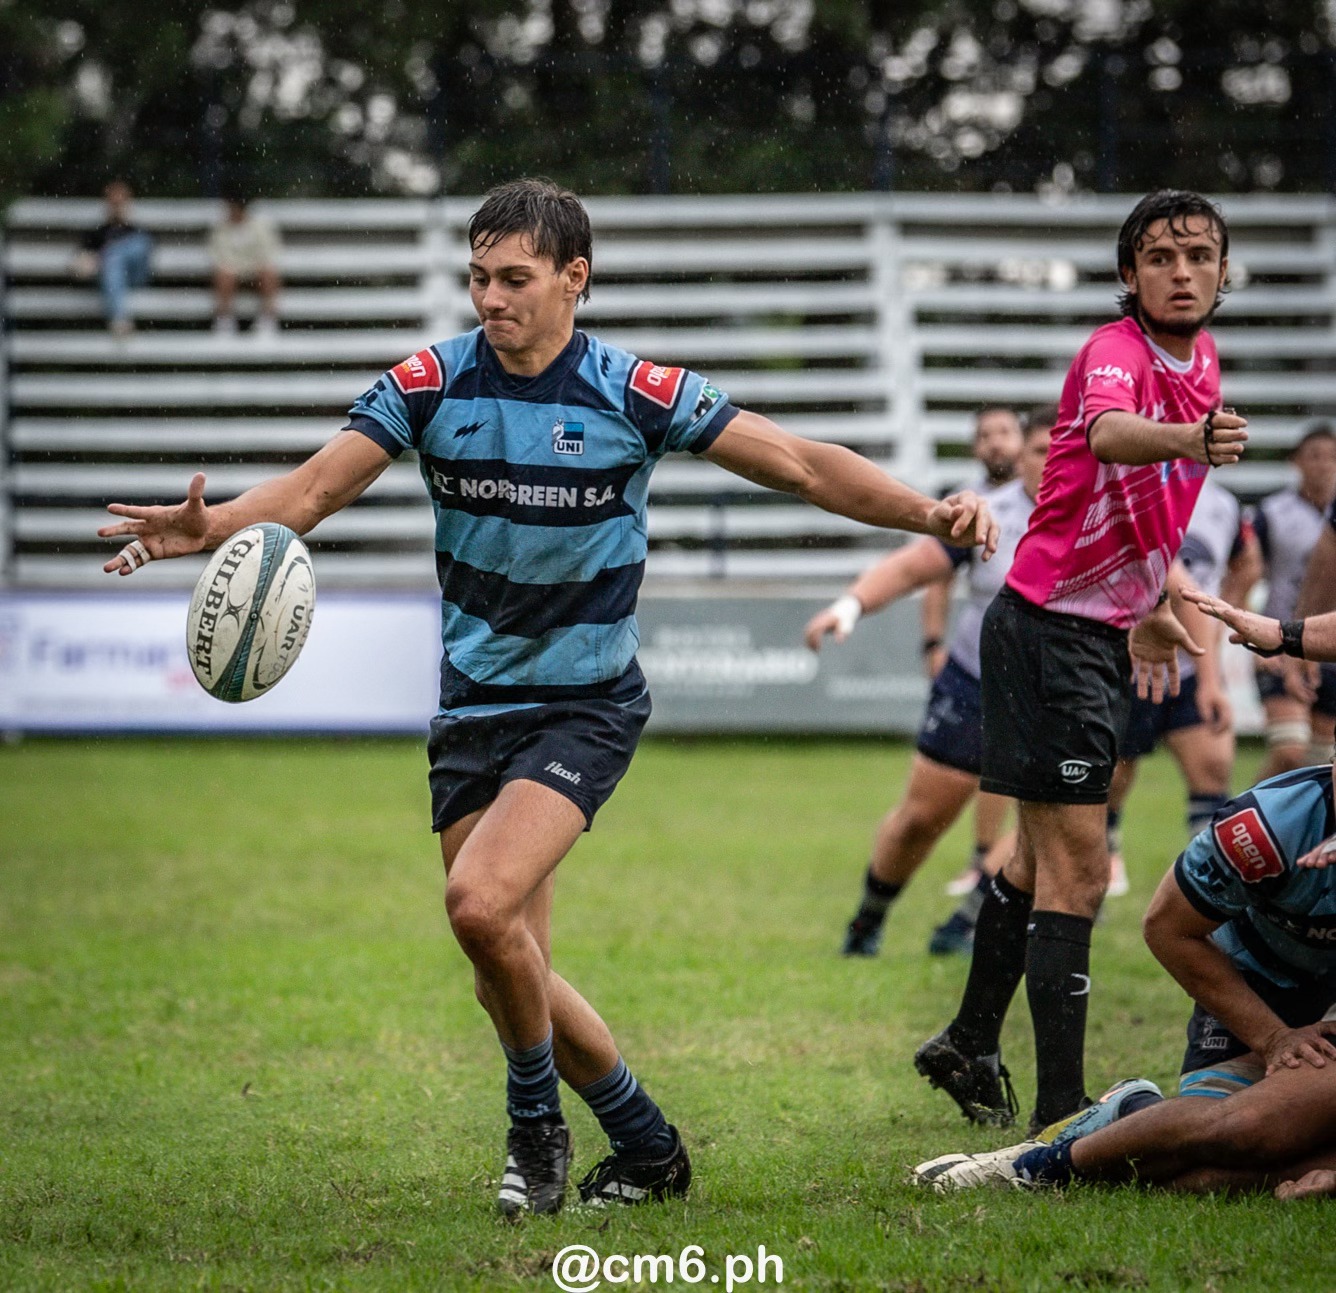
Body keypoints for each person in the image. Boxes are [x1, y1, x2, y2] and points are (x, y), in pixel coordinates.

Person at [97, 178, 998, 1218]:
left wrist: (929, 512)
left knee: (478, 907)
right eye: (478, 277)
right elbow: (310, 495)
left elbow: (798, 464)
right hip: (472, 707)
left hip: (585, 706)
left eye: (514, 279)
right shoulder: (430, 382)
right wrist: (202, 531)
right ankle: (649, 1147)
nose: (491, 298)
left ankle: (535, 1135)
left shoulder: (633, 390)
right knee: (505, 965)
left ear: (575, 278)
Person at [913, 189, 1248, 1137]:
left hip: (1089, 631)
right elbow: (1105, 437)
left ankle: (970, 1042)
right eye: (1159, 257)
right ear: (1128, 275)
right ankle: (1063, 1111)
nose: (1180, 271)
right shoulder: (1116, 356)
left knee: (1034, 855)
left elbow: (1153, 509)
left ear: (1223, 272)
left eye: (1198, 255)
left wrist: (1146, 608)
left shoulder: (1205, 357)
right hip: (1048, 629)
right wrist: (1190, 436)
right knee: (1080, 864)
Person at [915, 762, 1336, 1194]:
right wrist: (1272, 1037)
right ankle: (1037, 1167)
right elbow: (1167, 927)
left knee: (1213, 1180)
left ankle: (1132, 1111)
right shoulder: (1266, 825)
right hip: (1263, 978)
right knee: (1240, 1131)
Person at [808, 411, 1050, 960]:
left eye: (1065, 451)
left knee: (1050, 825)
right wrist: (850, 605)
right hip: (977, 684)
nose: (1051, 462)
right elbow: (914, 565)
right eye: (1038, 450)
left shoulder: (1102, 521)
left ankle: (967, 925)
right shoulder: (993, 512)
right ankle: (868, 919)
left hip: (1058, 696)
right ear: (1021, 457)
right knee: (921, 819)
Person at [1105, 477, 1261, 881]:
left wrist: (1230, 603)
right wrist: (1213, 680)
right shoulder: (1141, 489)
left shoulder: (1224, 502)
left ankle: (1208, 882)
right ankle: (1098, 865)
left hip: (1192, 663)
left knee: (1212, 766)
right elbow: (1179, 589)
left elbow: (1246, 561)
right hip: (1132, 659)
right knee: (1112, 777)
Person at [921, 407, 1025, 918]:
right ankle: (983, 864)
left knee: (1017, 778)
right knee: (971, 772)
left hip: (1037, 675)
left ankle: (990, 870)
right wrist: (932, 643)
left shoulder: (1062, 502)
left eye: (1005, 432)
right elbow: (935, 574)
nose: (996, 443)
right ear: (975, 447)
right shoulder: (965, 500)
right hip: (976, 664)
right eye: (986, 435)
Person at [1247, 425, 1336, 779]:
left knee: (1318, 761)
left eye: (1331, 457)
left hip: (1330, 644)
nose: (1323, 465)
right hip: (1281, 639)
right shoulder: (1273, 513)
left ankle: (1292, 834)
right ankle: (1240, 822)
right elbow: (1249, 570)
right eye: (1314, 456)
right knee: (1289, 751)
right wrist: (1255, 635)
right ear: (1296, 462)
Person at [72, 180, 153, 337]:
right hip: (109, 279)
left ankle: (118, 319)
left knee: (139, 243)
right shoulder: (97, 234)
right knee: (112, 262)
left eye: (120, 202)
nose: (117, 207)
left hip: (134, 276)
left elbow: (144, 256)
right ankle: (119, 319)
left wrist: (104, 255)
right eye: (113, 202)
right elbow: (78, 266)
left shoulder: (136, 230)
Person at [210, 193, 282, 337]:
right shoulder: (221, 228)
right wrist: (237, 267)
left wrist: (251, 266)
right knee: (224, 275)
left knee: (269, 273)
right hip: (231, 272)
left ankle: (268, 319)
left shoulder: (260, 227)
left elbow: (269, 253)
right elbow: (217, 256)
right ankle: (224, 319)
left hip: (255, 272)